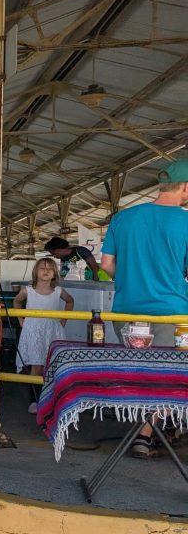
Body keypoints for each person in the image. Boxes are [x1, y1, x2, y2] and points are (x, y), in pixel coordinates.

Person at [100, 159, 188, 458]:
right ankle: (145, 433)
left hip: (125, 311)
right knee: (168, 377)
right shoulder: (185, 222)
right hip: (172, 314)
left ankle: (157, 427)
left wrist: (129, 281)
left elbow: (107, 265)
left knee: (139, 372)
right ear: (185, 188)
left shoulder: (123, 218)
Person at [13, 258, 74, 413]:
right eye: (42, 268)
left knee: (52, 364)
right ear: (36, 272)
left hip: (52, 330)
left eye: (50, 269)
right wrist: (21, 320)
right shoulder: (28, 291)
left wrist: (63, 321)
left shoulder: (58, 291)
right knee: (37, 365)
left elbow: (70, 302)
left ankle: (51, 399)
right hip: (34, 330)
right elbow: (16, 302)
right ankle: (35, 400)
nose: (46, 271)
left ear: (54, 274)